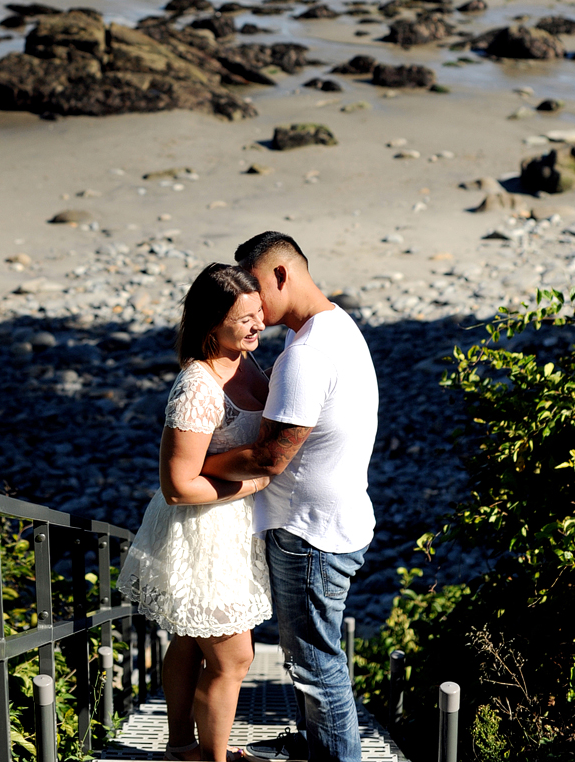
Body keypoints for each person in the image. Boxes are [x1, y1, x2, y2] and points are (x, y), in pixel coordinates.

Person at [201, 232, 378, 762]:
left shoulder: (306, 355)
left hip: (310, 534)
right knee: (313, 658)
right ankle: (313, 740)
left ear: (282, 275)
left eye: (253, 287)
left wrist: (192, 469)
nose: (248, 304)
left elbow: (267, 459)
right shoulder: (338, 326)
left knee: (316, 664)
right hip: (336, 521)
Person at [119, 263, 274, 762]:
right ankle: (214, 758)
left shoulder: (244, 359)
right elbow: (178, 488)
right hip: (203, 530)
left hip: (231, 525)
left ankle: (183, 746)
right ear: (211, 325)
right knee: (234, 658)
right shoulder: (197, 389)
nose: (258, 326)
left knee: (189, 639)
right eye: (244, 318)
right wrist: (251, 483)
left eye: (259, 313)